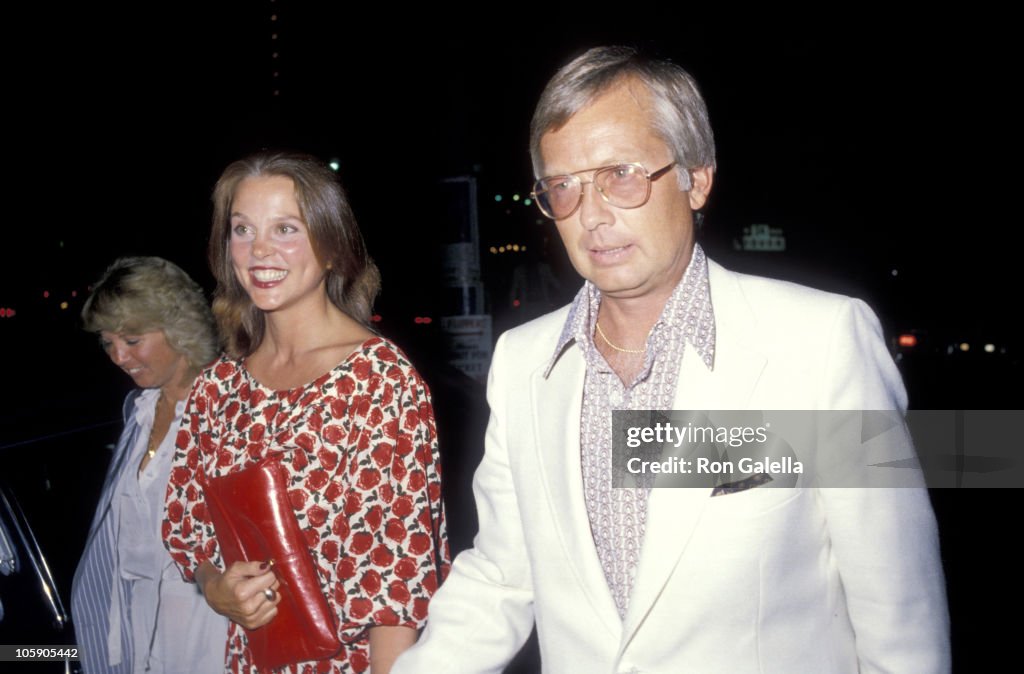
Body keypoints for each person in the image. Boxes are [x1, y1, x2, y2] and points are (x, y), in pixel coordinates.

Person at [394, 46, 950, 673]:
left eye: (621, 174)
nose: (593, 215)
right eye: (564, 188)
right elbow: (500, 577)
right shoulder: (523, 363)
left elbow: (898, 611)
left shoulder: (818, 341)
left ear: (696, 178)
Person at [163, 151, 449, 674]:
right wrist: (215, 588)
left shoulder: (380, 381)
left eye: (286, 229)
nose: (259, 250)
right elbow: (190, 528)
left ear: (333, 248)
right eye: (242, 230)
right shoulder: (216, 390)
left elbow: (399, 586)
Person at [71, 256, 227, 674]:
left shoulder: (228, 415)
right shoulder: (137, 413)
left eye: (133, 339)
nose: (118, 356)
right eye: (107, 343)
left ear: (179, 330)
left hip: (207, 630)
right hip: (136, 623)